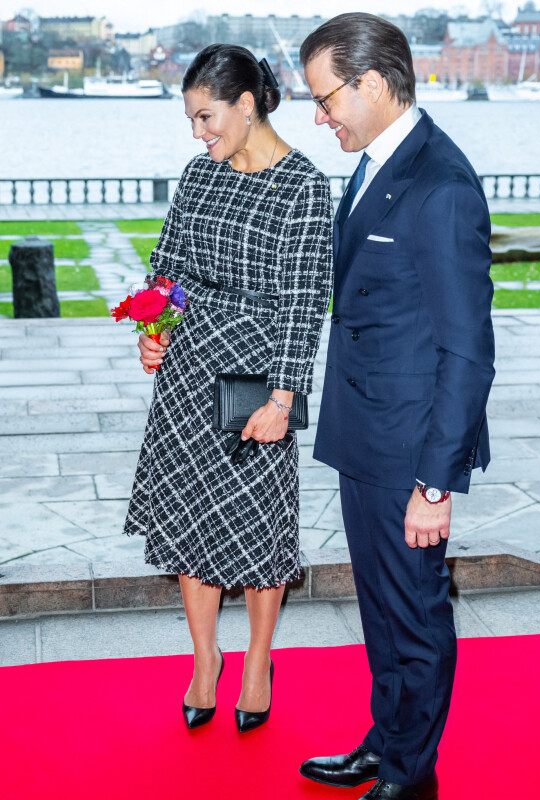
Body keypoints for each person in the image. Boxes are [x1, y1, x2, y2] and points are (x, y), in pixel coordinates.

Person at [299, 14, 495, 800]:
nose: (319, 116)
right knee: (381, 607)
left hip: (410, 452)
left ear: (372, 85)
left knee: (414, 615)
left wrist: (435, 483)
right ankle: (388, 741)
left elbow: (467, 352)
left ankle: (412, 777)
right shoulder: (378, 163)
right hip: (367, 435)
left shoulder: (440, 185)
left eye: (325, 97)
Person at [125, 44, 333, 734]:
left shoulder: (302, 185)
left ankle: (257, 662)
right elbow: (168, 267)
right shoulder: (199, 174)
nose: (198, 133)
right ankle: (205, 661)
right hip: (188, 370)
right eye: (191, 120)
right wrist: (153, 329)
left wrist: (282, 400)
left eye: (207, 116)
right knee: (189, 517)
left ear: (247, 104)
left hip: (254, 377)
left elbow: (306, 303)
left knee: (256, 523)